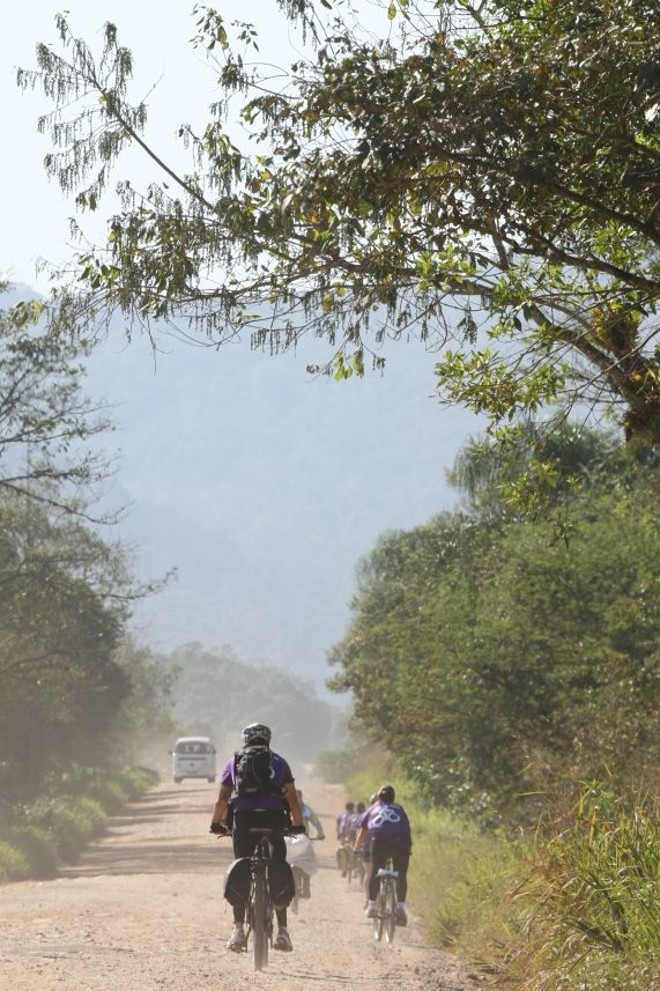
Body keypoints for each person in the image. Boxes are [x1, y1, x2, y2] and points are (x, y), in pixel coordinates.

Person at [210, 722, 305, 953]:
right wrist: (298, 825)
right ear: (268, 740)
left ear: (245, 740)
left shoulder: (234, 761)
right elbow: (292, 799)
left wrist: (216, 824)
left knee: (241, 866)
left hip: (244, 819)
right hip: (273, 819)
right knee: (277, 865)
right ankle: (283, 930)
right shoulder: (280, 762)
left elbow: (223, 799)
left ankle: (238, 931)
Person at [354, 784, 412, 926]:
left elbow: (363, 832)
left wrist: (356, 848)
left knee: (375, 871)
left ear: (379, 797)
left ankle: (372, 906)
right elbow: (406, 827)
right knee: (401, 874)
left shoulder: (373, 808)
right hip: (402, 842)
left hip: (380, 843)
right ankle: (400, 908)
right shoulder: (399, 808)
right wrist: (408, 848)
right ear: (393, 798)